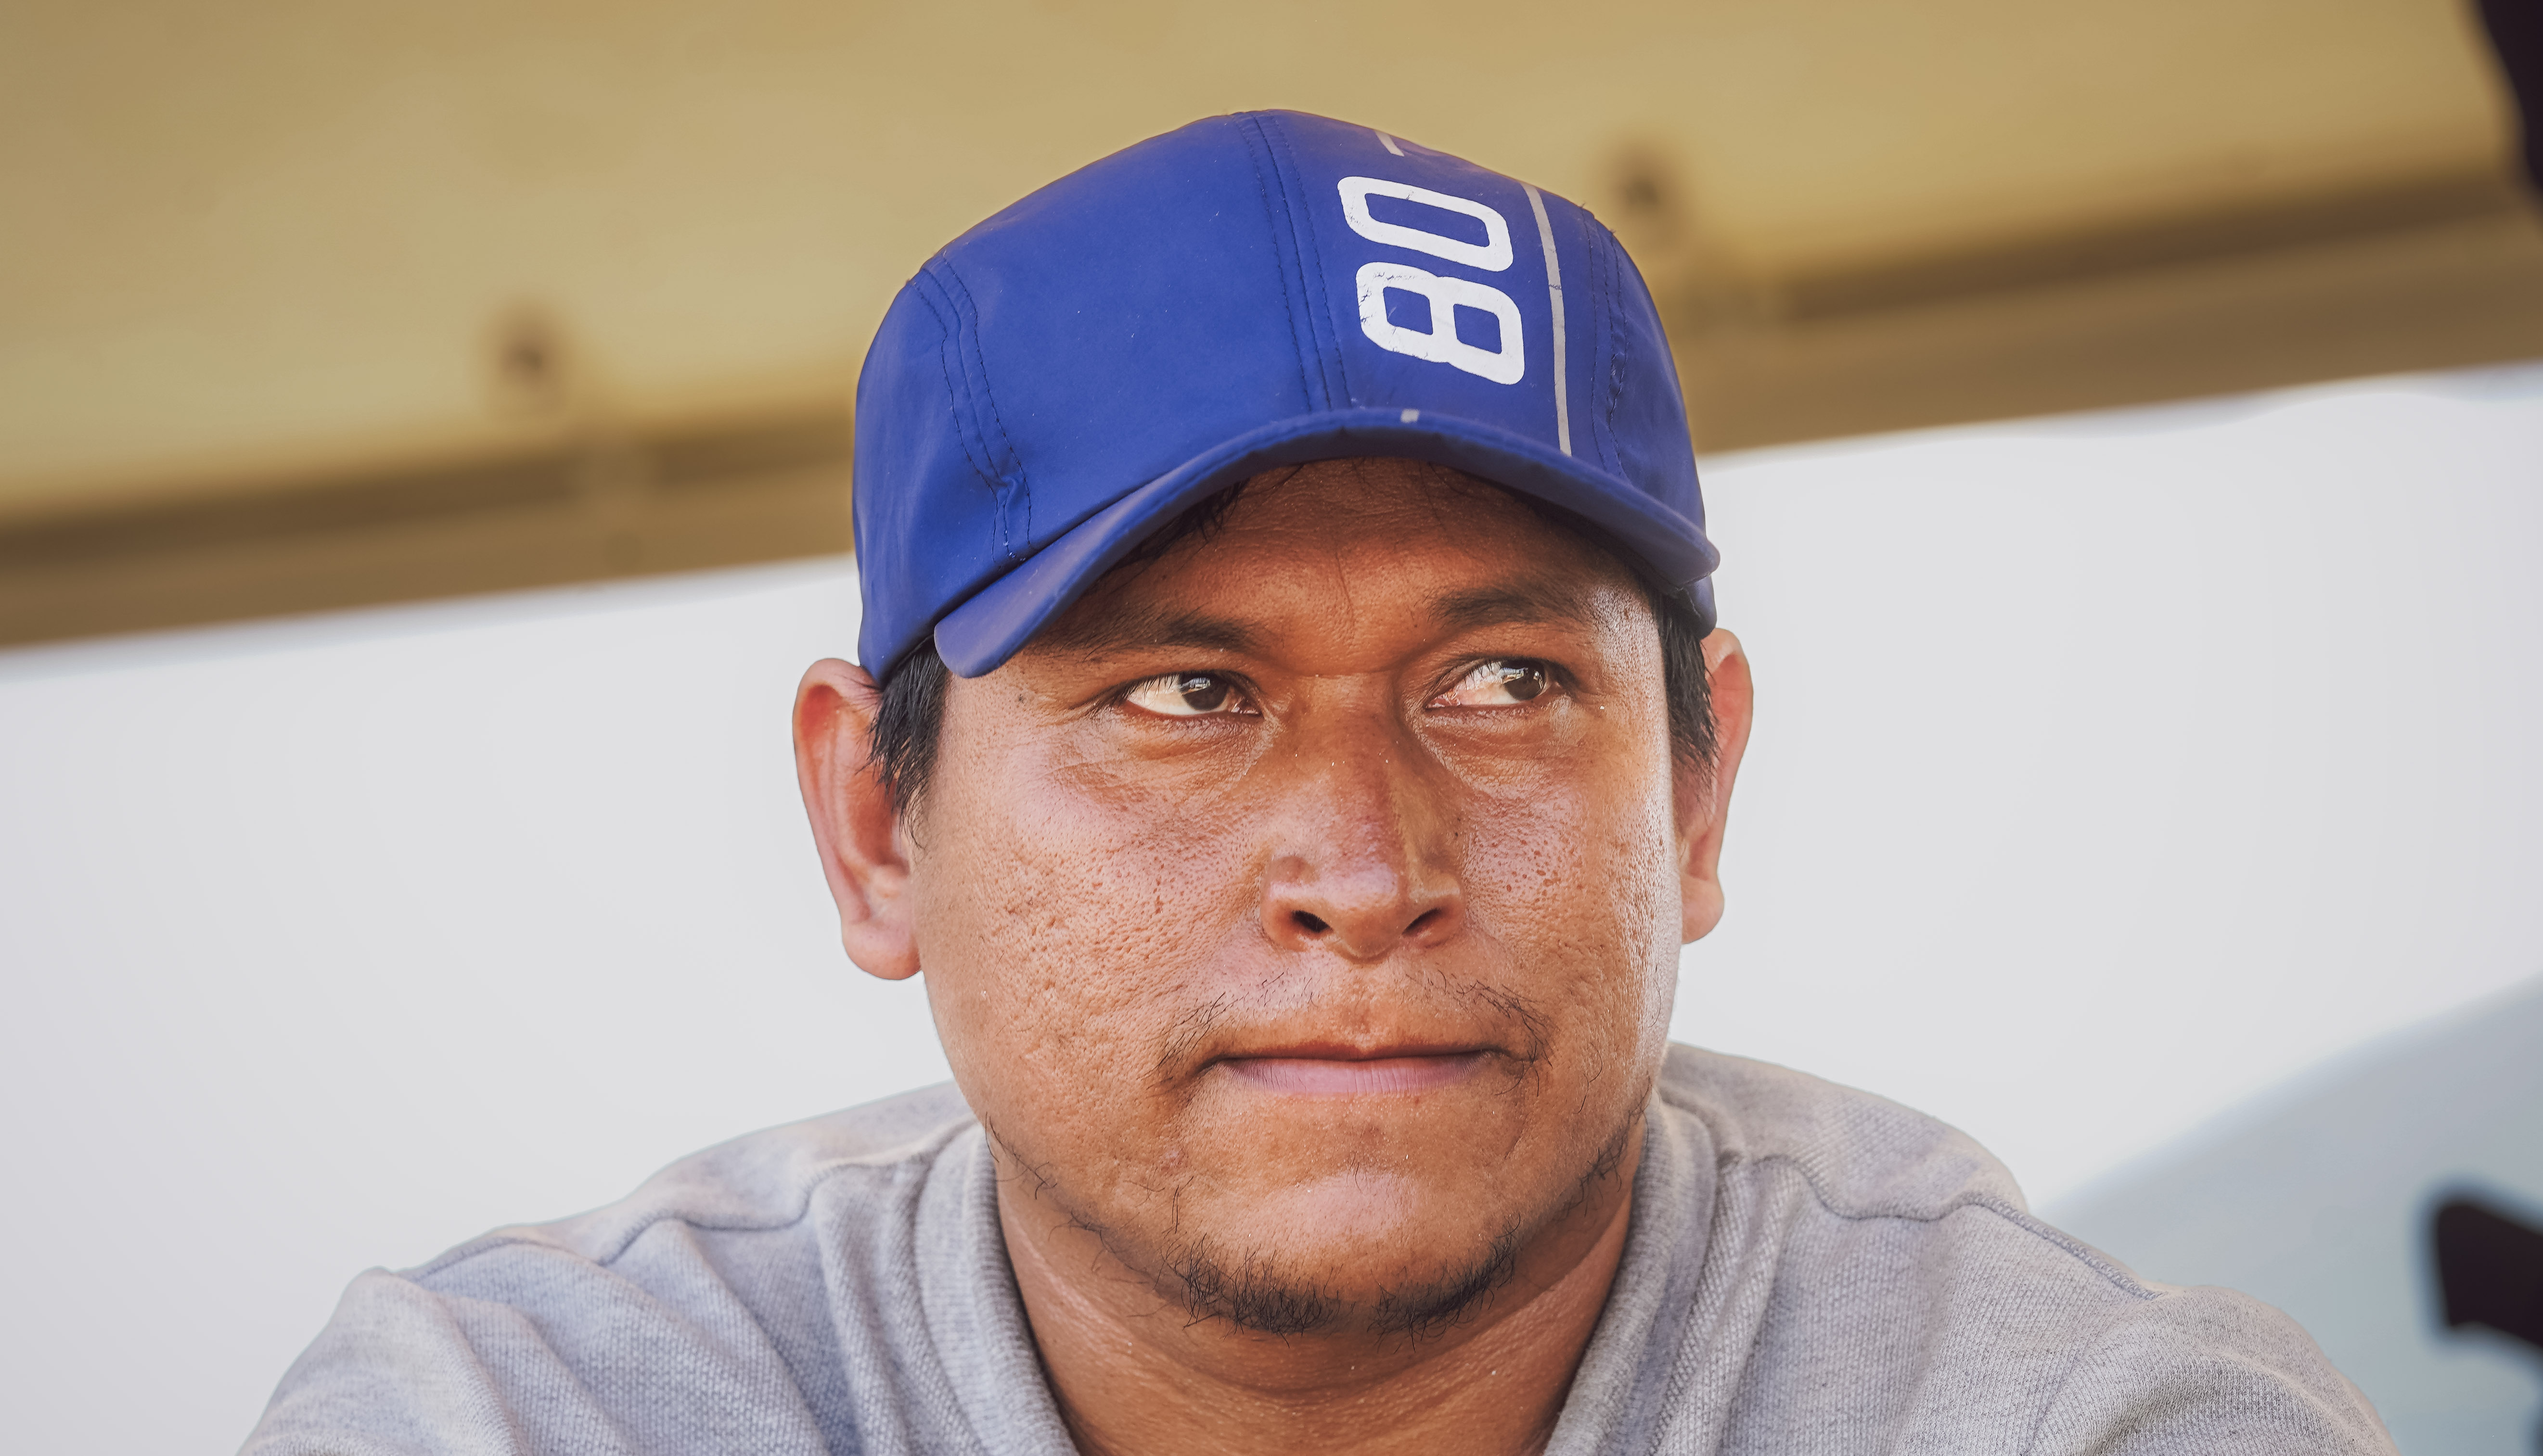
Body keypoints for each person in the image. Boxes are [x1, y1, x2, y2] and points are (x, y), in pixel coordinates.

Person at [244, 111, 2393, 1455]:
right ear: (875, 825)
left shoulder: (2072, 1424)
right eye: (1183, 694)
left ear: (1695, 796)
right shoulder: (532, 1417)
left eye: (1502, 682)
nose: (1363, 873)